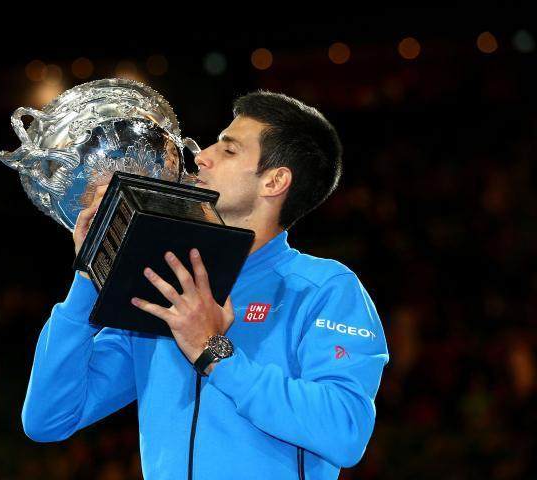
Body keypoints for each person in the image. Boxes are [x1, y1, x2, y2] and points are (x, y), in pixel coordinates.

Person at [21, 90, 390, 480]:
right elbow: (49, 419)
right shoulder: (162, 287)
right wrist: (90, 275)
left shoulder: (322, 289)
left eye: (228, 150)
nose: (201, 156)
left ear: (275, 181)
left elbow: (345, 431)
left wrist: (214, 352)